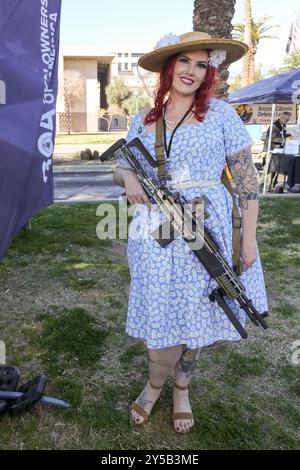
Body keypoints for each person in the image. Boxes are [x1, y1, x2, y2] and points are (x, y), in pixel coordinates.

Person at [114, 31, 268, 434]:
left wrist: (248, 238)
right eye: (185, 61)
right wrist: (128, 176)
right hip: (156, 233)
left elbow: (247, 181)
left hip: (208, 228)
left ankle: (181, 388)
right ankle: (153, 385)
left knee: (199, 309)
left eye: (202, 64)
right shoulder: (145, 117)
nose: (192, 71)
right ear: (170, 66)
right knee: (161, 309)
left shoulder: (220, 114)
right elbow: (122, 162)